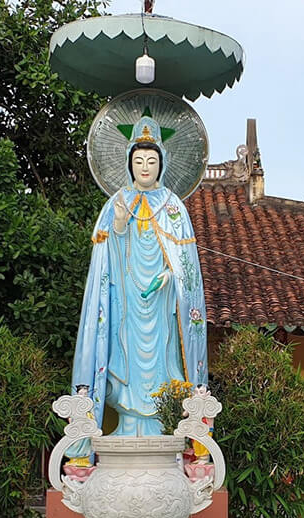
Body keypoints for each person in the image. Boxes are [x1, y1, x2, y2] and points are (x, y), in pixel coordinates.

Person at [68, 116, 208, 462]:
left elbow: (184, 265)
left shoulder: (174, 207)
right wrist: (117, 224)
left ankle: (163, 425)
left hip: (160, 302)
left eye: (151, 161)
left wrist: (169, 275)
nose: (145, 167)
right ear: (129, 163)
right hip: (125, 299)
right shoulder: (115, 202)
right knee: (123, 354)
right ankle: (125, 423)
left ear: (162, 163)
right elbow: (106, 260)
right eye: (138, 161)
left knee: (162, 356)